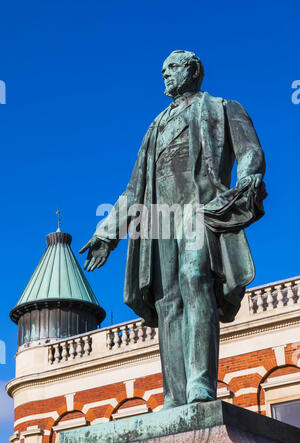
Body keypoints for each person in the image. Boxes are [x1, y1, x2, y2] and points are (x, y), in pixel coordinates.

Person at [80, 50, 266, 409]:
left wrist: (248, 176)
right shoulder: (156, 126)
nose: (164, 75)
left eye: (172, 68)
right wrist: (107, 233)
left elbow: (249, 152)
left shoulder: (224, 108)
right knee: (167, 301)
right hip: (159, 220)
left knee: (195, 277)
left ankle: (200, 384)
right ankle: (175, 395)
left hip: (201, 210)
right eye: (162, 71)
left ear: (193, 70)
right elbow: (134, 190)